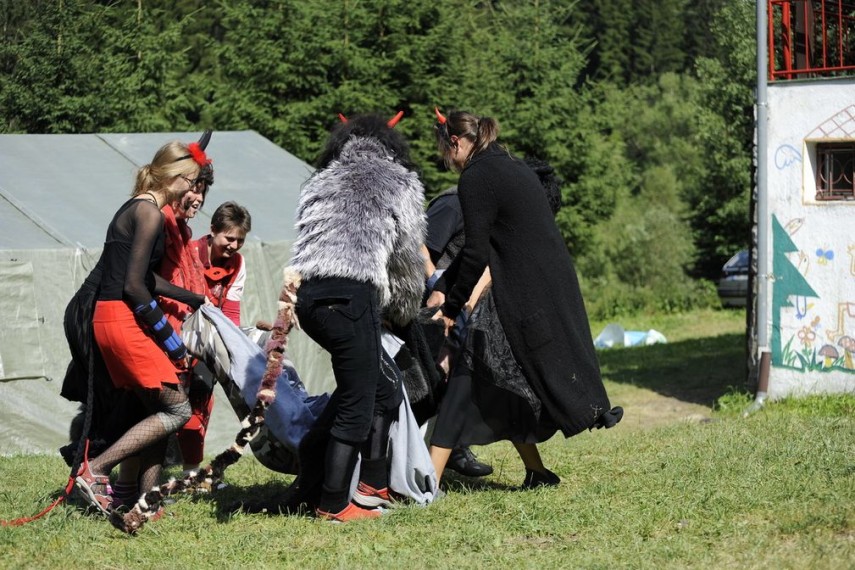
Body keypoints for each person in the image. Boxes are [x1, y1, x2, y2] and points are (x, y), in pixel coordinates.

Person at [427, 109, 623, 488]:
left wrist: (450, 310)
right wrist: (446, 288)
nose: (447, 162)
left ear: (455, 143)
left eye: (445, 154)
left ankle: (427, 486)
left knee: (466, 374)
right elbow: (484, 249)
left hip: (522, 293)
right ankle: (537, 472)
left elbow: (476, 253)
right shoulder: (509, 165)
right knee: (502, 378)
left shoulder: (477, 176)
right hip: (546, 287)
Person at [289, 112, 426, 522]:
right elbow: (406, 262)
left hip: (310, 299)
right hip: (351, 297)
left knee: (383, 386)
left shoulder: (321, 179)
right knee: (358, 400)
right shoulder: (400, 181)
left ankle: (372, 484)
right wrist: (403, 311)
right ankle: (332, 503)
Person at [72, 140, 210, 516]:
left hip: (112, 317)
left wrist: (190, 298)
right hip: (121, 319)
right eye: (192, 182)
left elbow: (142, 278)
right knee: (177, 410)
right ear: (175, 177)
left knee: (157, 412)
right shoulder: (149, 212)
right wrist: (169, 338)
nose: (194, 190)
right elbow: (135, 285)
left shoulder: (138, 206)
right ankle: (96, 470)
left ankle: (144, 502)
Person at [421, 188, 494, 478]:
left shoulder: (488, 208)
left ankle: (455, 448)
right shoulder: (453, 203)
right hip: (432, 307)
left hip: (462, 305)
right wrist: (436, 284)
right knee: (433, 378)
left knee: (460, 375)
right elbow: (417, 246)